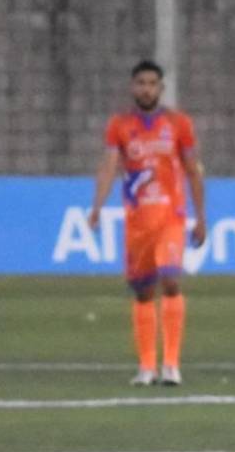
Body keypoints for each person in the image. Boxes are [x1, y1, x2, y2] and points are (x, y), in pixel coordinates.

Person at [88, 59, 207, 387]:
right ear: (133, 87)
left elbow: (193, 169)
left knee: (170, 280)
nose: (146, 89)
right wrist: (96, 207)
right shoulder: (119, 125)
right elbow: (109, 166)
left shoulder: (179, 123)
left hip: (171, 216)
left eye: (152, 84)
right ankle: (146, 366)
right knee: (142, 292)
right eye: (141, 83)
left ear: (161, 88)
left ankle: (171, 364)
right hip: (137, 221)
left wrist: (201, 217)